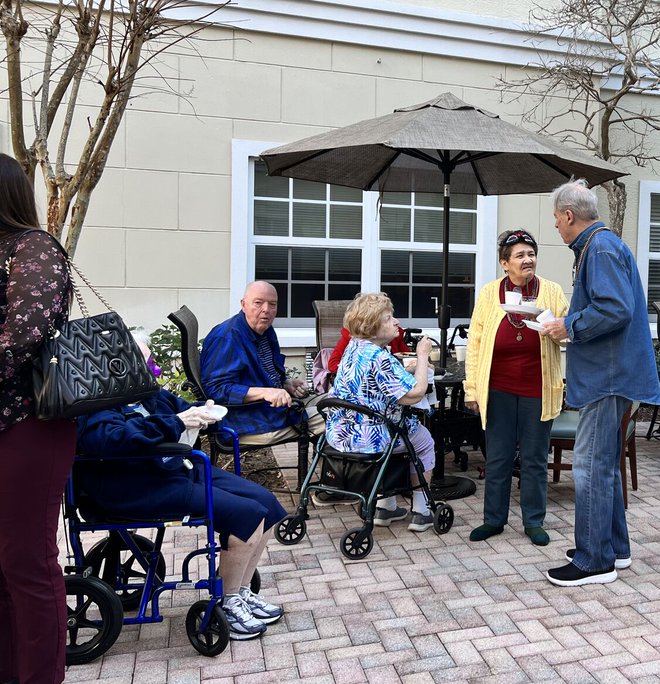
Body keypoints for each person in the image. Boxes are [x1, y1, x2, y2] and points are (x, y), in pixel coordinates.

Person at [74, 334, 288, 641]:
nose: (153, 367)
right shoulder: (99, 402)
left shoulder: (145, 393)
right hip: (134, 486)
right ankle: (226, 604)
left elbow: (177, 408)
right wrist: (176, 422)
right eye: (146, 362)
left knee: (266, 504)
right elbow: (108, 439)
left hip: (171, 471)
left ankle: (239, 592)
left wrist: (202, 411)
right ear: (120, 366)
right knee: (247, 516)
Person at [540, 181, 660, 587]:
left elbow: (614, 308)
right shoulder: (600, 245)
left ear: (570, 216)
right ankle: (614, 549)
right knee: (604, 465)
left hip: (606, 377)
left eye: (557, 219)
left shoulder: (601, 248)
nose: (556, 227)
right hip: (610, 374)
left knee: (590, 466)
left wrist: (567, 326)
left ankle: (594, 560)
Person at [0, 154, 74, 684]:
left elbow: (21, 335)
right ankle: (9, 670)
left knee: (26, 556)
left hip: (31, 421)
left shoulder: (34, 250)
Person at [464, 230, 569, 548]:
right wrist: (471, 389)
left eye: (532, 254)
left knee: (535, 458)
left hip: (538, 388)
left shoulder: (550, 290)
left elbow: (568, 333)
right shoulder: (488, 293)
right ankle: (493, 520)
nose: (528, 260)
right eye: (520, 255)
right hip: (498, 388)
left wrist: (555, 329)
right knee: (498, 457)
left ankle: (533, 521)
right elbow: (476, 343)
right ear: (504, 263)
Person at [325, 293, 437, 531]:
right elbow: (414, 394)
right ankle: (422, 510)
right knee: (423, 440)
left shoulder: (354, 348)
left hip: (341, 432)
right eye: (389, 318)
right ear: (372, 328)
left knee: (396, 430)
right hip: (370, 437)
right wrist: (423, 355)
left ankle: (386, 507)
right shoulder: (378, 358)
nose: (396, 322)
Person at [199, 281, 324, 448]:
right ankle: (341, 472)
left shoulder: (264, 330)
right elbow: (215, 389)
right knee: (339, 413)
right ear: (243, 304)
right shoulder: (227, 338)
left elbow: (263, 374)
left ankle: (332, 469)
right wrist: (265, 392)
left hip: (269, 410)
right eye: (258, 303)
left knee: (336, 399)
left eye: (272, 304)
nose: (266, 309)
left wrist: (286, 384)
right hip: (245, 422)